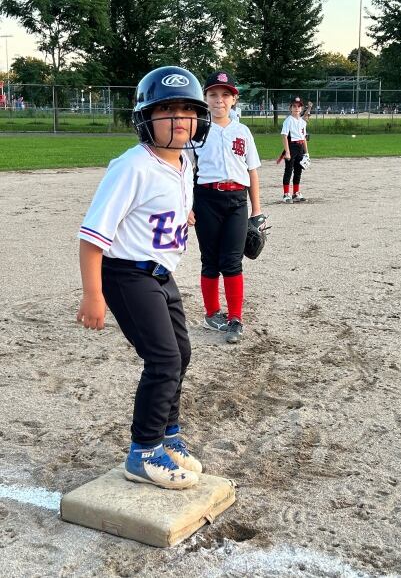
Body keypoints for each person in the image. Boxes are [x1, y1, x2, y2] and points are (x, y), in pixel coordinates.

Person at [76, 66, 211, 490]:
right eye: (166, 109)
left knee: (181, 353)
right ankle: (143, 450)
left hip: (160, 273)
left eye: (187, 111)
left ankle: (168, 434)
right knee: (163, 359)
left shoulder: (185, 159)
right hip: (126, 274)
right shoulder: (132, 166)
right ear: (145, 117)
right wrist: (93, 294)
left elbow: (170, 200)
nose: (178, 120)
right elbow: (92, 235)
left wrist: (181, 215)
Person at [192, 70, 264, 344]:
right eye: (213, 94)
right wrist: (188, 206)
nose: (219, 100)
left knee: (232, 261)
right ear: (205, 98)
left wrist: (256, 210)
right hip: (206, 199)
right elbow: (186, 171)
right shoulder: (197, 129)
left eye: (225, 95)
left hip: (236, 201)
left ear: (234, 99)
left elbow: (252, 171)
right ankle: (212, 314)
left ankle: (235, 318)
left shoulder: (242, 131)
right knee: (210, 260)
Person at [281, 95, 310, 203]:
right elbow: (284, 136)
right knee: (289, 170)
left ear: (301, 108)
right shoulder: (288, 120)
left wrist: (306, 153)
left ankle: (296, 193)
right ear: (290, 108)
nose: (296, 108)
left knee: (298, 170)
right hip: (292, 146)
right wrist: (287, 151)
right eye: (294, 106)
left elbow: (304, 138)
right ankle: (286, 194)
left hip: (301, 147)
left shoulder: (303, 122)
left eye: (299, 106)